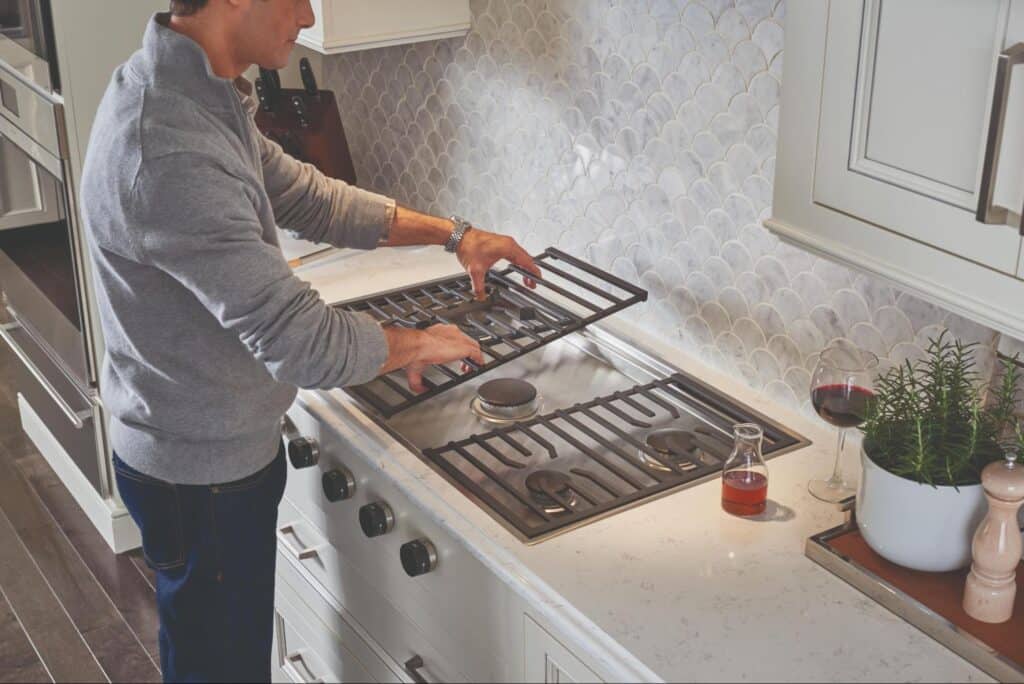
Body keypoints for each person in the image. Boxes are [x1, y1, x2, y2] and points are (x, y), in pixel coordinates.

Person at [79, 1, 540, 680]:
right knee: (220, 671)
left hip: (206, 450)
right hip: (199, 474)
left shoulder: (194, 90)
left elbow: (311, 199)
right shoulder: (166, 144)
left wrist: (455, 235)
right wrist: (418, 343)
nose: (308, 12)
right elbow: (298, 339)